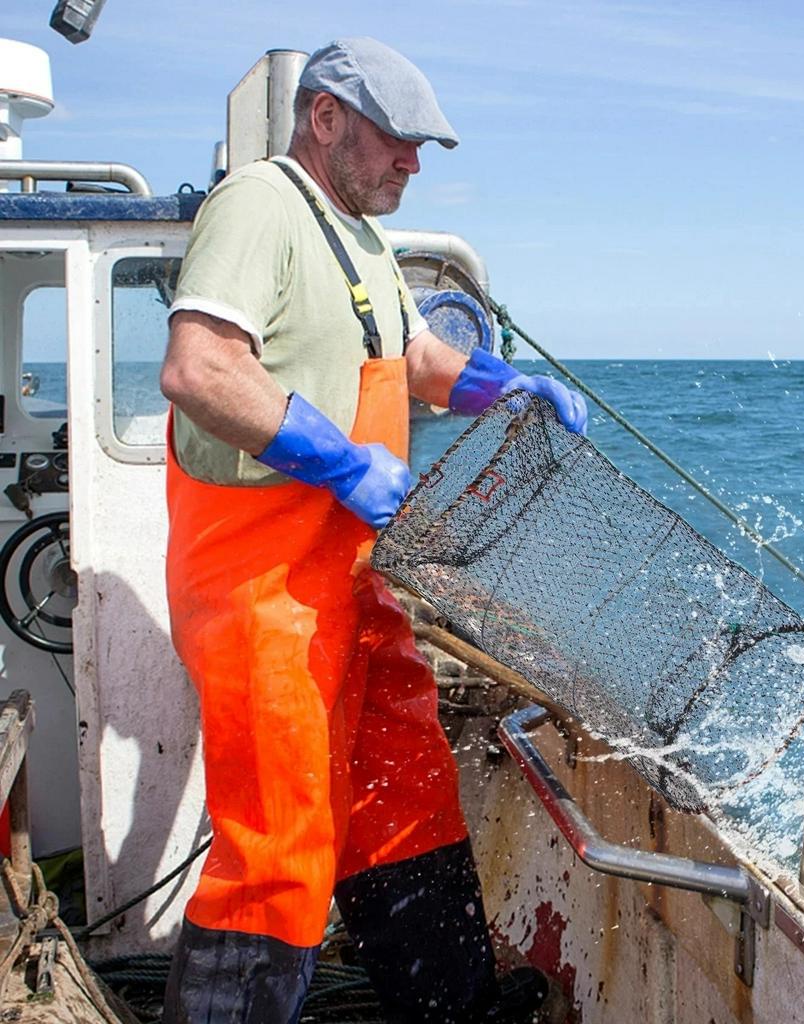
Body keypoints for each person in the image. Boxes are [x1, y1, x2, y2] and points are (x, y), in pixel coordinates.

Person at [158, 36, 587, 1024]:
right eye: (398, 141)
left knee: (403, 795)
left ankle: (454, 1006)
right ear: (326, 119)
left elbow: (422, 355)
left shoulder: (358, 236)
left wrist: (502, 387)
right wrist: (341, 460)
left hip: (353, 582)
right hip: (262, 590)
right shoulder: (262, 203)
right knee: (278, 850)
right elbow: (200, 368)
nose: (413, 162)